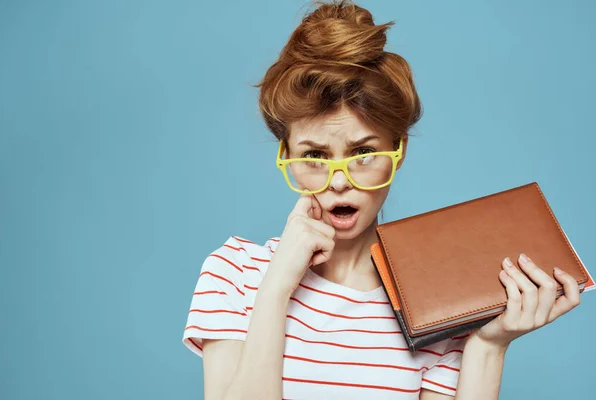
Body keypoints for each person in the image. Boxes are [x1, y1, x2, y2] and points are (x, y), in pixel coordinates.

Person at [181, 1, 581, 398]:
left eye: (363, 153)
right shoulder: (234, 274)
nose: (339, 181)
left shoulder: (434, 304)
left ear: (399, 151)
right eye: (315, 156)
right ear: (287, 156)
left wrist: (489, 346)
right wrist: (276, 287)